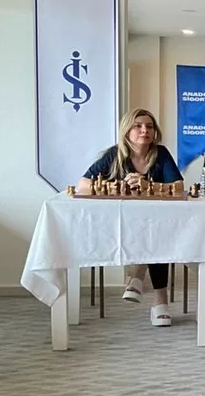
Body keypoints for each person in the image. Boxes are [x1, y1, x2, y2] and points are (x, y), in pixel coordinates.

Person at [77, 108, 182, 327]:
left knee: (157, 234)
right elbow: (83, 184)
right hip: (120, 224)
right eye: (138, 126)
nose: (145, 130)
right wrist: (117, 186)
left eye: (150, 126)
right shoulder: (114, 154)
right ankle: (149, 289)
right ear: (126, 131)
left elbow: (179, 187)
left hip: (154, 222)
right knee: (154, 236)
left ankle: (145, 284)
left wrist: (148, 185)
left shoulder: (160, 153)